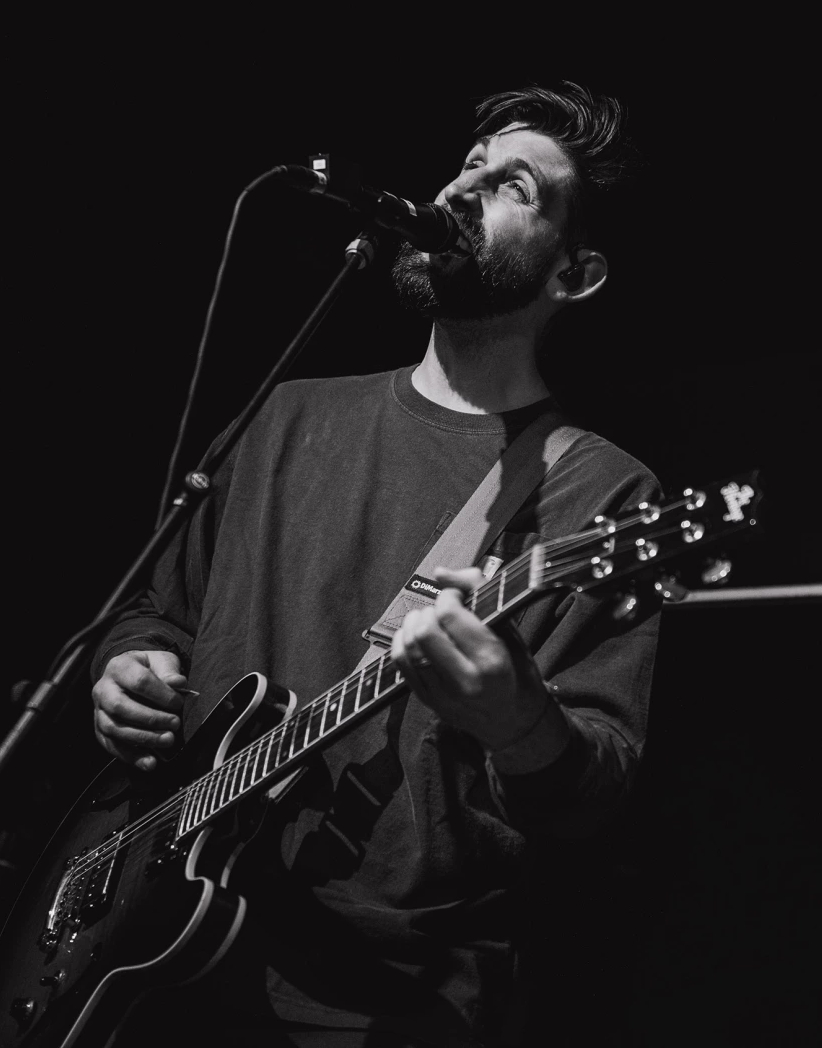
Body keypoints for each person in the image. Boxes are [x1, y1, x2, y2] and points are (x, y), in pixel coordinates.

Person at [91, 82, 660, 1047]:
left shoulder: (600, 490)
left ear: (578, 272)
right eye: (472, 160)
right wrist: (126, 668)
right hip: (157, 954)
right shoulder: (284, 415)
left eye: (515, 183)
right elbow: (160, 606)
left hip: (388, 1001)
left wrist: (519, 720)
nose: (468, 183)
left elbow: (597, 790)